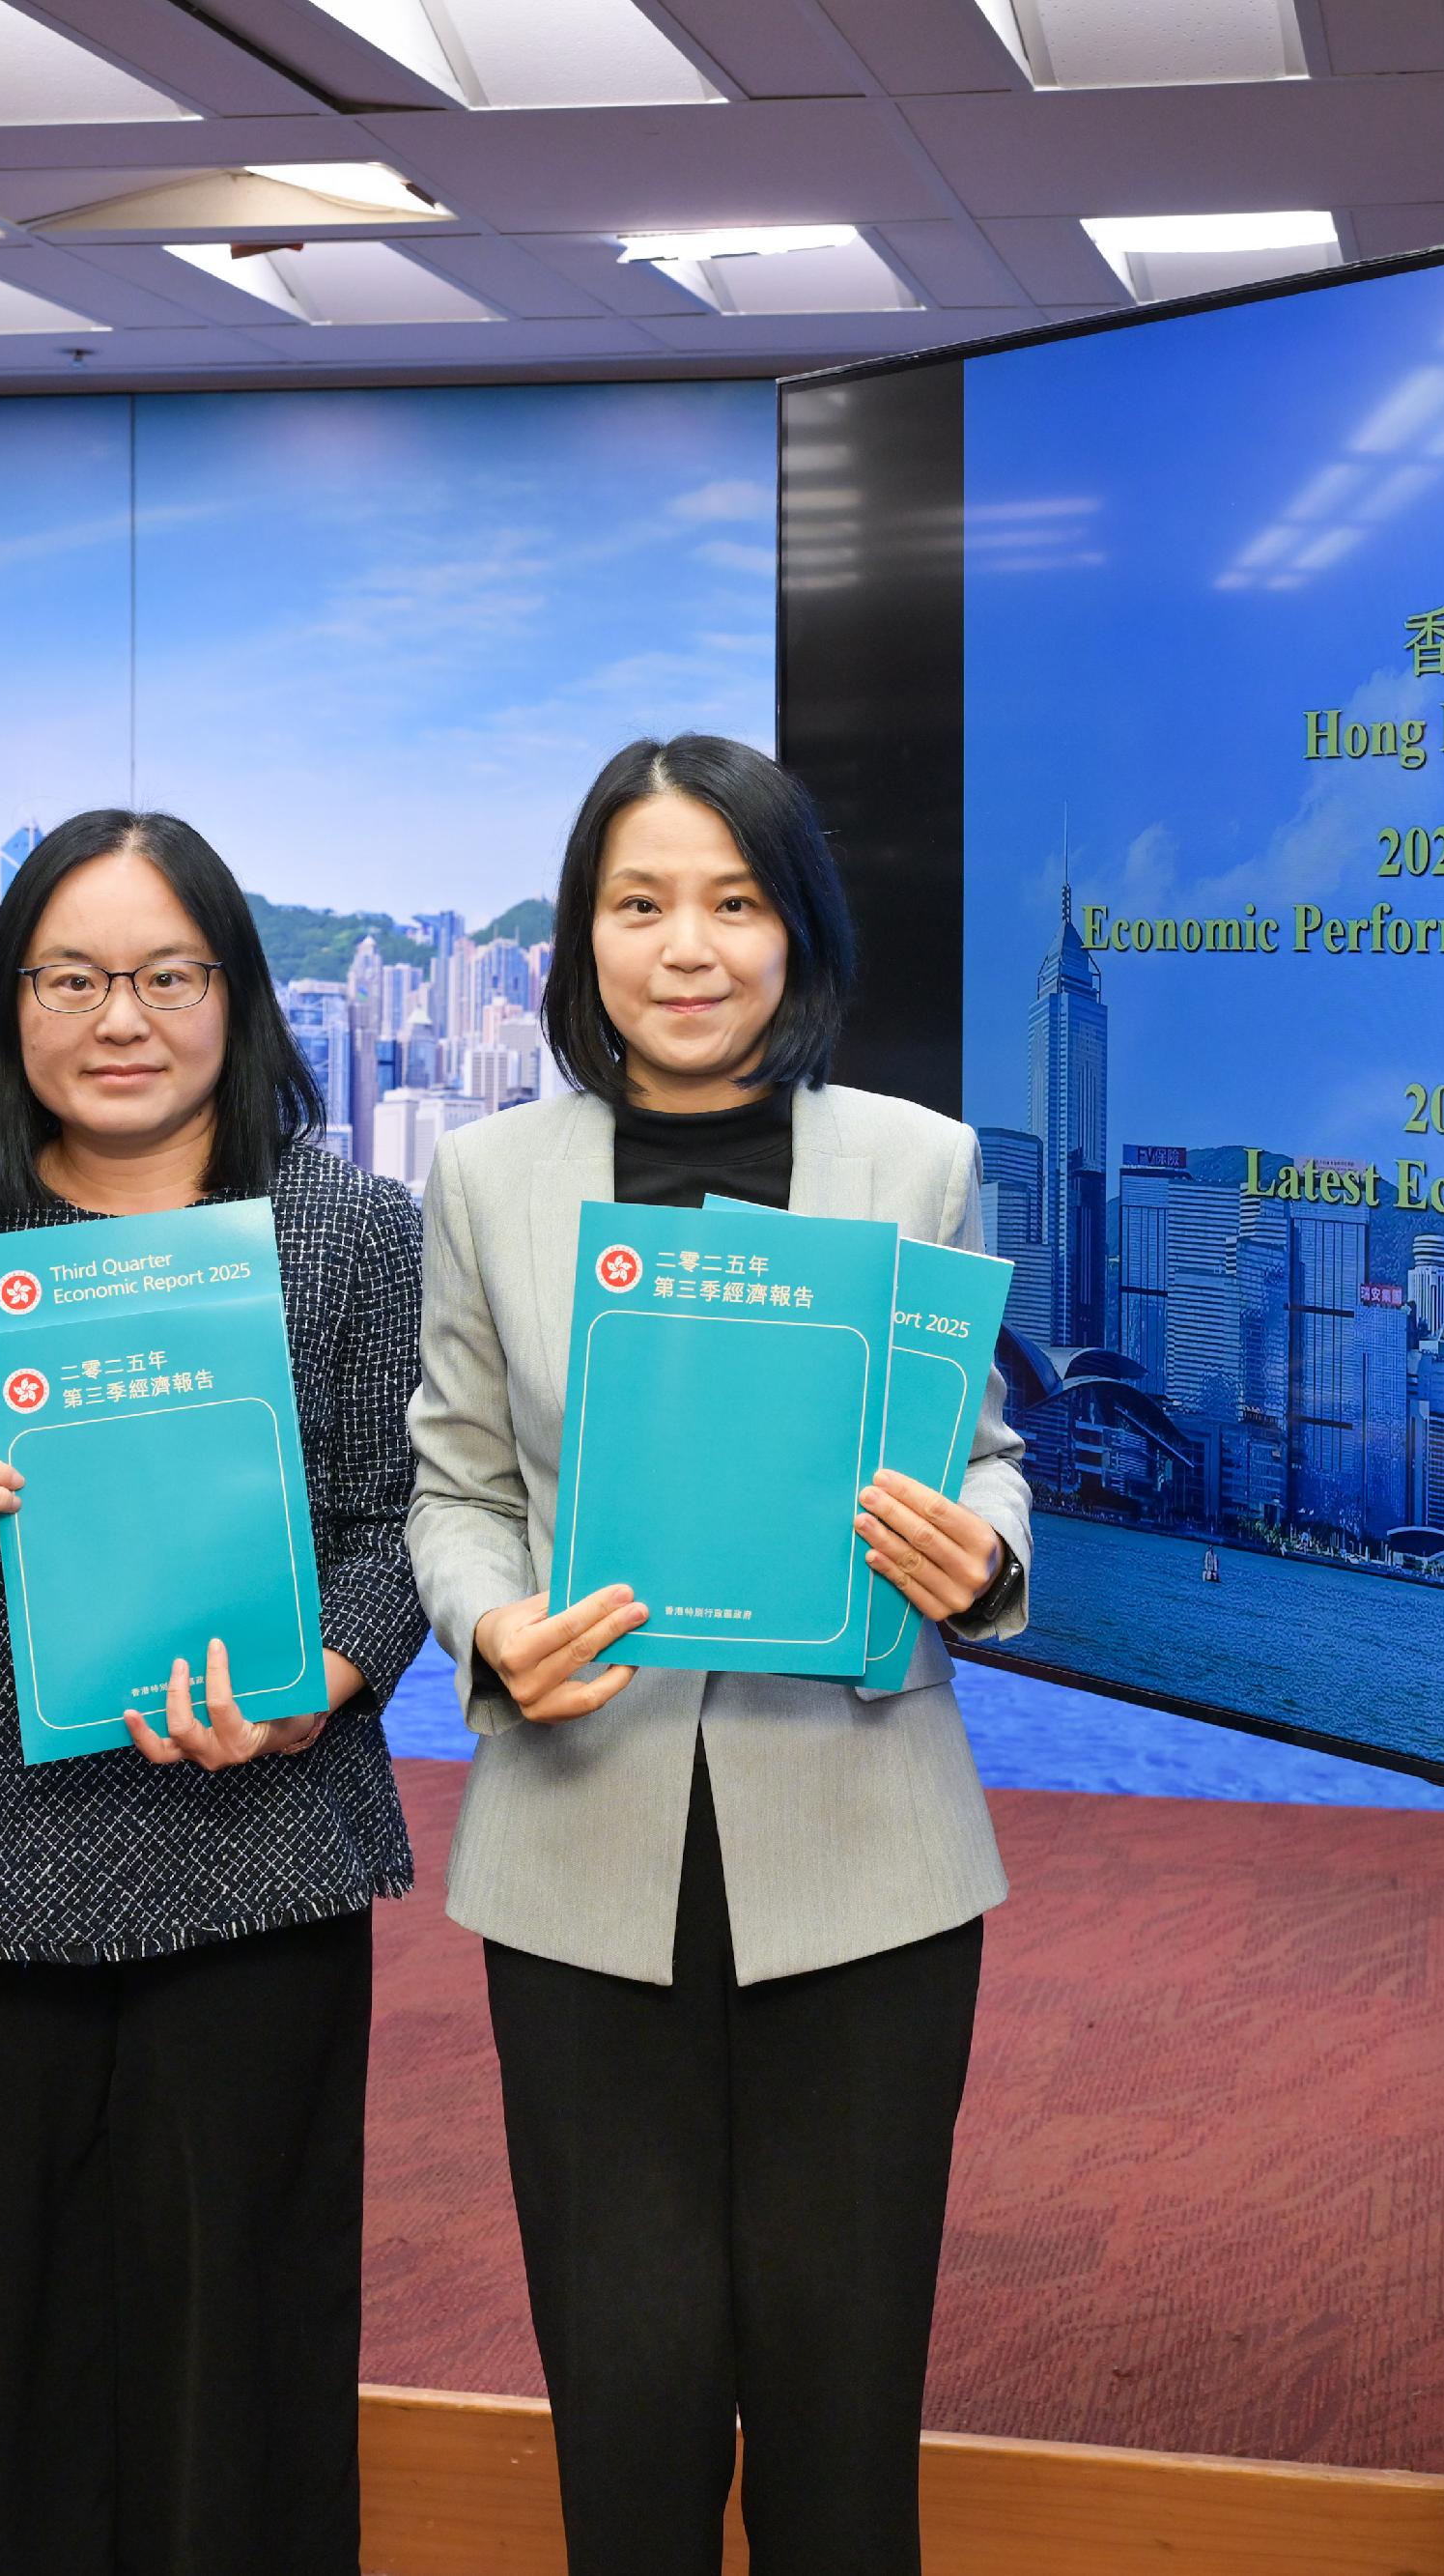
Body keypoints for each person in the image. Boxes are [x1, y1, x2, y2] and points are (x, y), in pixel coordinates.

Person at [406, 732, 1032, 2575]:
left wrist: (986, 1551)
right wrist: (490, 1624)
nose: (690, 947)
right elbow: (453, 1482)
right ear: (583, 939)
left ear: (798, 931)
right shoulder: (487, 1177)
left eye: (736, 902)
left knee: (847, 2422)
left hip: (865, 1859)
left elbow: (979, 1446)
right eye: (641, 903)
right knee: (629, 2402)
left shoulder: (914, 1164)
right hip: (584, 1855)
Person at [0, 809, 426, 2576]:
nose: (120, 1017)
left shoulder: (355, 1230)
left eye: (166, 975)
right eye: (69, 979)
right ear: (11, 1006)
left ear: (234, 995)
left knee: (251, 2318)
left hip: (266, 1844)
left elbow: (404, 1520)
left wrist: (328, 1673)